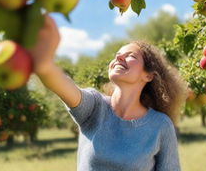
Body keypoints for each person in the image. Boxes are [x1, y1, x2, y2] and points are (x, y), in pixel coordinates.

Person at [30, 14, 188, 171]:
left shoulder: (160, 125)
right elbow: (61, 84)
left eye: (130, 56)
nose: (119, 57)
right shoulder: (94, 107)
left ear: (148, 75)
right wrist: (43, 62)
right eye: (117, 55)